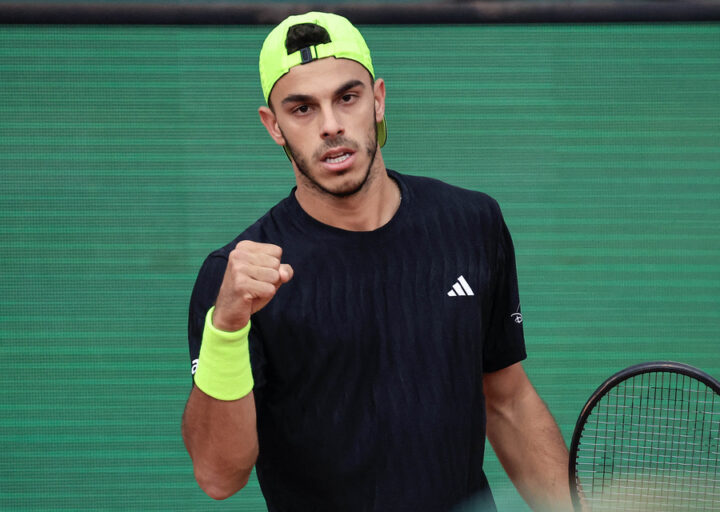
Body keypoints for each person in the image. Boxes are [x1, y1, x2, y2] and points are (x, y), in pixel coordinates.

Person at [182, 11, 571, 512]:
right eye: (302, 109)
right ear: (273, 126)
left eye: (347, 97)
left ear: (378, 99)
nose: (330, 125)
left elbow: (509, 402)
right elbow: (218, 476)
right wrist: (227, 327)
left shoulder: (471, 222)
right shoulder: (234, 280)